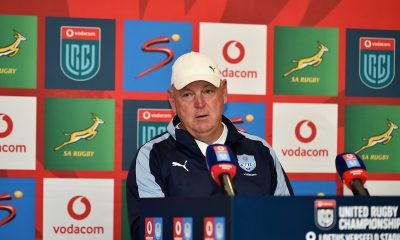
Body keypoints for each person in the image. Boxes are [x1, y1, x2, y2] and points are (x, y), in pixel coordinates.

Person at [126, 51, 293, 239]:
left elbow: (288, 222)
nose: (200, 103)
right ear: (172, 100)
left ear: (224, 92)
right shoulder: (151, 156)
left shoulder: (261, 150)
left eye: (208, 91)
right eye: (188, 94)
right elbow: (149, 233)